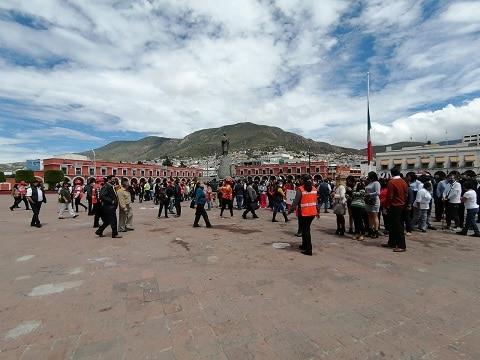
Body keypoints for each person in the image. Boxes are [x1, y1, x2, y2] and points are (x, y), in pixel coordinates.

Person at [290, 175, 318, 256]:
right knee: (305, 229)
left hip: (304, 212)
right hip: (312, 213)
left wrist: (290, 210)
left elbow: (295, 201)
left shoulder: (300, 189)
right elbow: (316, 201)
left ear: (303, 180)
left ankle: (308, 249)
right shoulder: (314, 189)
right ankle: (304, 245)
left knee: (305, 231)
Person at [383, 167, 408, 252]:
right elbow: (406, 194)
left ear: (391, 173)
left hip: (394, 206)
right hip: (402, 205)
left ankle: (401, 245)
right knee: (394, 225)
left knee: (397, 226)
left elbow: (390, 196)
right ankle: (392, 242)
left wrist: (386, 206)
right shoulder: (404, 182)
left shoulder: (391, 182)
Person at [365, 171, 381, 238]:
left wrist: (369, 194)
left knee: (375, 216)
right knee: (370, 216)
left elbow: (378, 192)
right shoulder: (370, 183)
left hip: (374, 201)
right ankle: (370, 230)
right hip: (369, 201)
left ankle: (376, 231)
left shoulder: (376, 183)